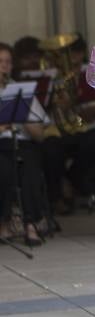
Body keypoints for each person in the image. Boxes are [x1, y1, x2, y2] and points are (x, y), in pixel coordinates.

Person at [0, 42, 47, 247]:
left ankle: (30, 223)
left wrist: (22, 113)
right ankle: (4, 221)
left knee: (30, 166)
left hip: (22, 143)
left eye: (8, 62)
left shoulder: (20, 91)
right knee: (4, 169)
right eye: (0, 62)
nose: (4, 66)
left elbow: (40, 135)